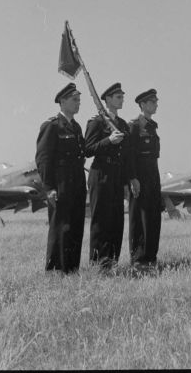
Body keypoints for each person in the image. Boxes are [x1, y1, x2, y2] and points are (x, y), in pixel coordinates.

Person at [85, 82, 138, 270]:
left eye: (122, 96)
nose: (122, 99)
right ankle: (99, 262)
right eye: (118, 97)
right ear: (107, 100)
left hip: (117, 176)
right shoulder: (97, 122)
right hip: (101, 174)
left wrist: (132, 177)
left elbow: (128, 155)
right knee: (101, 220)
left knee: (116, 220)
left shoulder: (123, 124)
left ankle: (112, 261)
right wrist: (108, 140)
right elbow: (88, 149)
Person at [35, 83, 87, 273]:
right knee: (60, 227)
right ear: (62, 101)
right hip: (61, 184)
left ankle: (72, 268)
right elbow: (43, 159)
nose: (78, 103)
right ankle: (56, 269)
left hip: (77, 184)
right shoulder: (52, 126)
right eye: (74, 100)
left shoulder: (76, 127)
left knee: (75, 226)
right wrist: (49, 187)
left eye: (79, 100)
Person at [128, 88, 162, 270]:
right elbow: (130, 155)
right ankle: (138, 259)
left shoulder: (152, 126)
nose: (156, 104)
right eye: (153, 102)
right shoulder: (134, 125)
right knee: (139, 217)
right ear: (143, 104)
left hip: (153, 174)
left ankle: (151, 257)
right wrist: (133, 178)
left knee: (153, 216)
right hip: (140, 175)